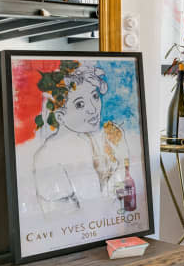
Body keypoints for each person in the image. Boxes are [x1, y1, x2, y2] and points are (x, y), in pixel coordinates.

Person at [31, 62, 129, 215]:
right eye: (80, 104)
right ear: (60, 116)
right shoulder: (52, 153)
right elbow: (84, 212)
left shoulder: (89, 140)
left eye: (95, 96)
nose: (93, 109)